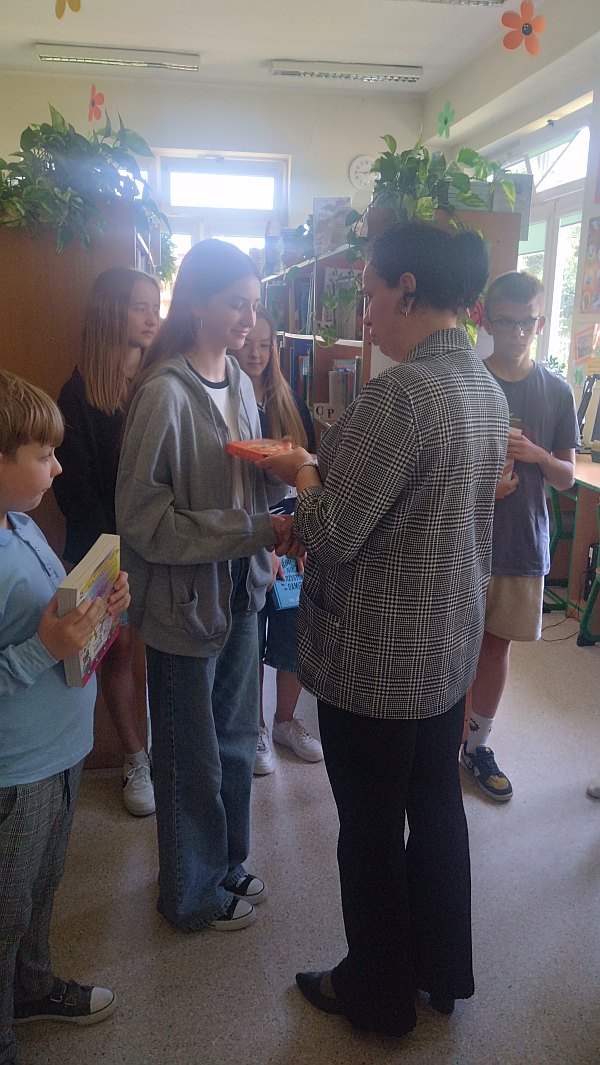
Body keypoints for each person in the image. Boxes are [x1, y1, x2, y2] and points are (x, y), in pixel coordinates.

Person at [258, 220, 509, 1036]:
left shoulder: (400, 395)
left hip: (375, 658)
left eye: (369, 295)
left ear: (408, 290)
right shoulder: (483, 386)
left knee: (368, 827)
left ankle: (375, 990)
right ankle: (441, 969)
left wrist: (301, 469)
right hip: (444, 646)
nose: (363, 315)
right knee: (435, 806)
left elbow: (332, 533)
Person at [115, 239, 292, 933]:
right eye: (235, 304)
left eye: (254, 305)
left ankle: (225, 862)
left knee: (235, 741)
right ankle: (188, 894)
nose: (249, 319)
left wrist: (288, 477)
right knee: (189, 756)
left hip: (243, 594)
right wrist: (253, 529)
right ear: (195, 303)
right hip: (184, 606)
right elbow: (144, 520)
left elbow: (244, 481)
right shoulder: (163, 392)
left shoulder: (242, 383)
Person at [0, 370, 130, 1065]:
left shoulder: (22, 524)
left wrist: (100, 605)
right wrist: (43, 648)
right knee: (5, 909)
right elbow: (36, 643)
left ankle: (32, 986)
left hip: (60, 751)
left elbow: (54, 613)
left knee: (42, 887)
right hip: (15, 770)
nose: (58, 467)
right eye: (44, 454)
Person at [462, 272, 579, 801]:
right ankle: (442, 743)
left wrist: (537, 455)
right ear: (485, 319)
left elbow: (567, 477)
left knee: (496, 647)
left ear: (541, 322)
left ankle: (476, 745)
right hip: (461, 541)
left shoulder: (555, 390)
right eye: (505, 321)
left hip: (520, 542)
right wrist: (484, 489)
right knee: (454, 647)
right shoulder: (468, 382)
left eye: (525, 323)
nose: (516, 332)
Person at [54, 267, 161, 817]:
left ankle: (166, 747)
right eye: (140, 307)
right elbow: (75, 493)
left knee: (162, 646)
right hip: (105, 548)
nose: (152, 318)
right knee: (116, 649)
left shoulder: (161, 380)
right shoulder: (77, 395)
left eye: (155, 307)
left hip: (157, 543)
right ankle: (134, 757)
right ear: (110, 312)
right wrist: (117, 559)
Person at [229, 305, 323, 774]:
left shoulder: (291, 402)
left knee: (293, 632)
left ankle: (285, 720)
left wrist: (299, 535)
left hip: (292, 536)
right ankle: (257, 727)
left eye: (266, 345)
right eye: (249, 344)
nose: (257, 354)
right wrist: (263, 539)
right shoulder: (227, 402)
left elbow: (309, 472)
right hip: (249, 532)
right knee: (250, 635)